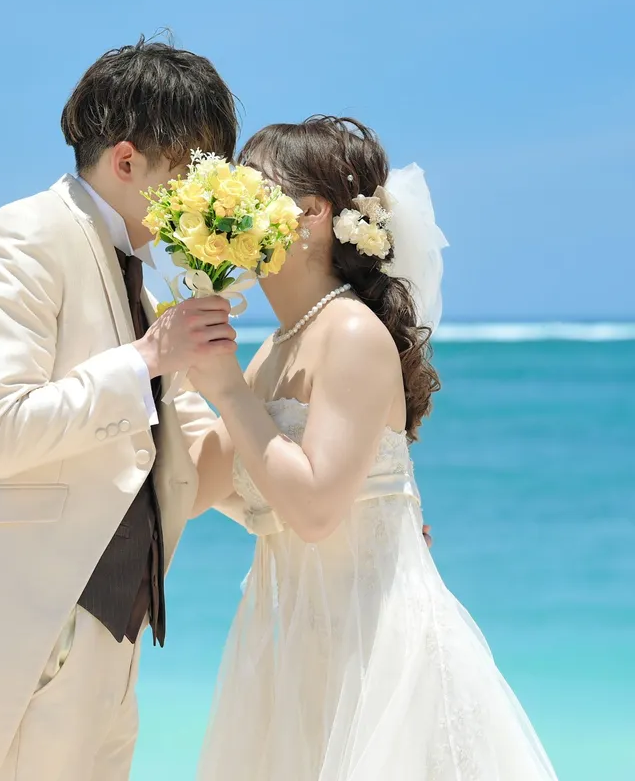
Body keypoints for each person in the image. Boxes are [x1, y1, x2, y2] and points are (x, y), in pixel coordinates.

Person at [0, 37, 240, 780]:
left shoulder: (144, 275)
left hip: (120, 628)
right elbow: (1, 430)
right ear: (128, 161)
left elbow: (183, 456)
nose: (201, 194)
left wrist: (343, 512)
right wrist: (147, 359)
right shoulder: (20, 236)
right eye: (189, 170)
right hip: (44, 620)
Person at [188, 116, 560, 780]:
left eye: (249, 192)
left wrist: (227, 391)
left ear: (312, 215)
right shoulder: (276, 348)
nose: (227, 209)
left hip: (382, 658)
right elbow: (198, 486)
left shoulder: (351, 333)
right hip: (303, 657)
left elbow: (314, 511)